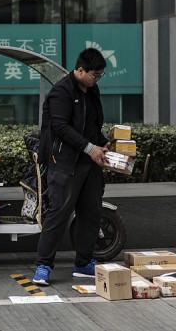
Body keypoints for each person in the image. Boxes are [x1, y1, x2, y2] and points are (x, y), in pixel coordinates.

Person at [32, 47, 110, 286]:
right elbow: (60, 127)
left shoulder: (92, 91)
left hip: (90, 165)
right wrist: (90, 148)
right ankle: (43, 265)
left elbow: (95, 125)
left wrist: (105, 143)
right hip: (63, 163)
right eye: (94, 74)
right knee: (59, 213)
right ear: (79, 69)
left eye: (100, 75)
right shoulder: (61, 93)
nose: (97, 79)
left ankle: (84, 262)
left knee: (91, 213)